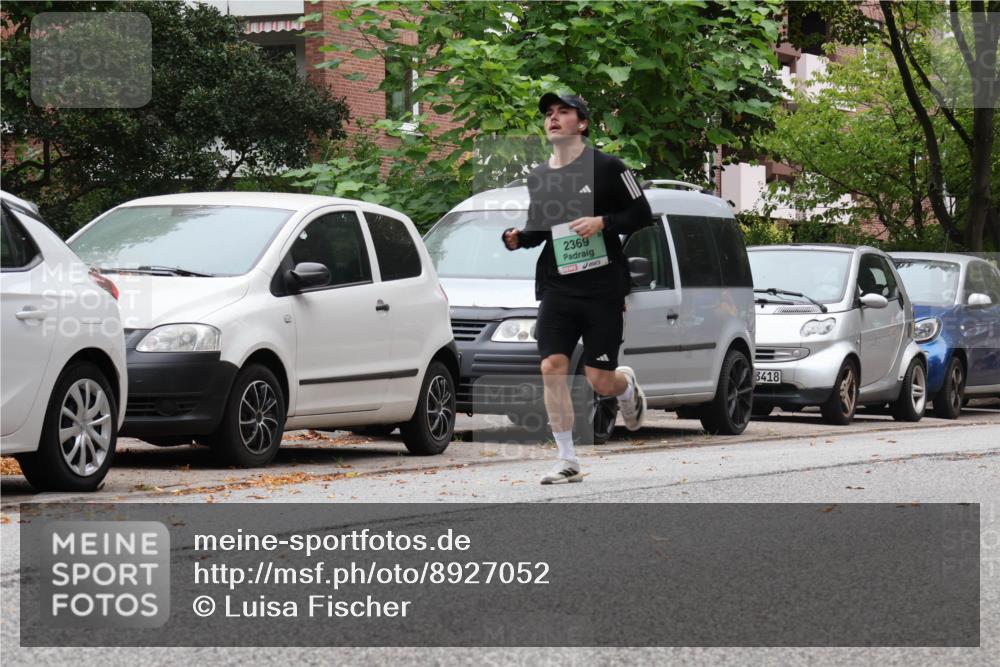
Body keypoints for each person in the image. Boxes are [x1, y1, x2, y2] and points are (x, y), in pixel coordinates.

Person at [502, 91, 652, 485]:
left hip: (602, 289)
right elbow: (541, 227)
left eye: (563, 112)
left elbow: (641, 214)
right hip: (558, 287)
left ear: (582, 123)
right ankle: (567, 458)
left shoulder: (608, 168)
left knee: (598, 379)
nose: (553, 119)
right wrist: (519, 237)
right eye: (549, 114)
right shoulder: (541, 176)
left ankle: (625, 386)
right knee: (552, 366)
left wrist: (602, 221)